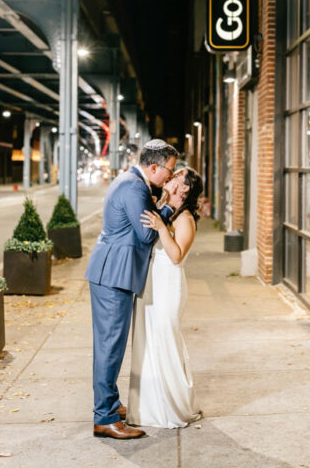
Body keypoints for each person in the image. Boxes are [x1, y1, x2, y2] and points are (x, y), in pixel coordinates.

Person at [85, 139, 181, 440]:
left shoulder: (133, 182)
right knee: (110, 347)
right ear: (153, 166)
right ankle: (105, 418)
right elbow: (144, 234)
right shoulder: (134, 187)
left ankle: (110, 406)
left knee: (110, 345)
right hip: (113, 274)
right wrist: (170, 208)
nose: (169, 177)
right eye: (169, 170)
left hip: (113, 273)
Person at [129, 167, 205, 428]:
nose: (172, 177)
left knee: (165, 341)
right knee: (152, 343)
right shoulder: (166, 208)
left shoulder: (184, 218)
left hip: (168, 286)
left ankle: (173, 406)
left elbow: (176, 255)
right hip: (153, 284)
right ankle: (150, 404)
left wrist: (162, 227)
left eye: (178, 176)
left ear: (184, 189)